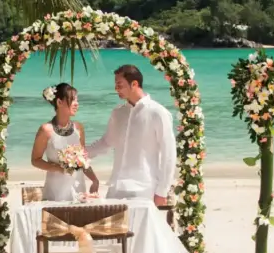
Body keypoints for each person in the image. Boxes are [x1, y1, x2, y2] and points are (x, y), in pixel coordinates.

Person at [87, 64, 176, 206]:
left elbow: (169, 154)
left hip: (144, 188)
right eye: (115, 85)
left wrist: (162, 191)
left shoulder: (158, 112)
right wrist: (80, 154)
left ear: (134, 84)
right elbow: (106, 142)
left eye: (119, 85)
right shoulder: (118, 113)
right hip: (116, 187)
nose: (116, 89)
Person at [31, 82, 101, 201]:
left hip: (78, 187)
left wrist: (94, 179)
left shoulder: (79, 128)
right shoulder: (46, 130)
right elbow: (35, 160)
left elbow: (83, 161)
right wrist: (58, 168)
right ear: (59, 102)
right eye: (73, 100)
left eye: (77, 100)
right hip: (56, 188)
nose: (77, 104)